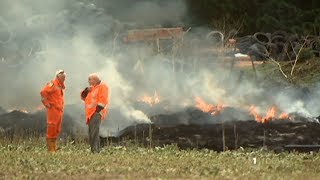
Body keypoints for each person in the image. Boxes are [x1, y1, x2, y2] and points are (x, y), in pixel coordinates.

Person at [81, 73, 109, 153]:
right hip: (90, 114)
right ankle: (95, 150)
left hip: (96, 113)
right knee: (91, 132)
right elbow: (83, 97)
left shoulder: (102, 86)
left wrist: (97, 111)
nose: (88, 81)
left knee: (94, 132)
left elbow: (103, 100)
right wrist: (86, 90)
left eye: (89, 79)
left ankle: (95, 151)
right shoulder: (92, 88)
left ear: (95, 80)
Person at [40, 70, 66, 152]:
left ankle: (54, 148)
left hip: (59, 110)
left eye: (64, 76)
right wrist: (46, 103)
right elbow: (43, 92)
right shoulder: (53, 84)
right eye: (62, 76)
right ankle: (51, 149)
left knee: (57, 129)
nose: (64, 78)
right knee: (52, 127)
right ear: (58, 76)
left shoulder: (61, 86)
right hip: (53, 109)